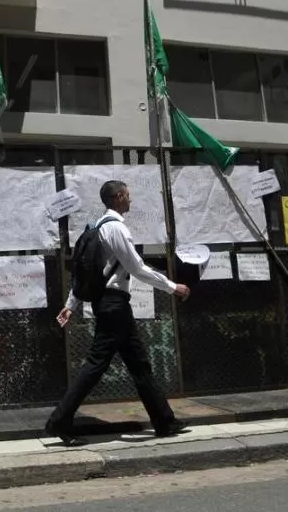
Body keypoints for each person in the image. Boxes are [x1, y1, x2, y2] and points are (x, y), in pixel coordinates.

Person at [46, 180, 191, 446]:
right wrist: (172, 287)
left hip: (111, 303)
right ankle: (59, 421)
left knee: (139, 364)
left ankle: (164, 421)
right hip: (114, 305)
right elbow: (136, 268)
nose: (130, 201)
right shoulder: (115, 229)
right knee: (95, 365)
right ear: (119, 197)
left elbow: (85, 274)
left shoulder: (95, 227)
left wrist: (71, 304)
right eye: (128, 196)